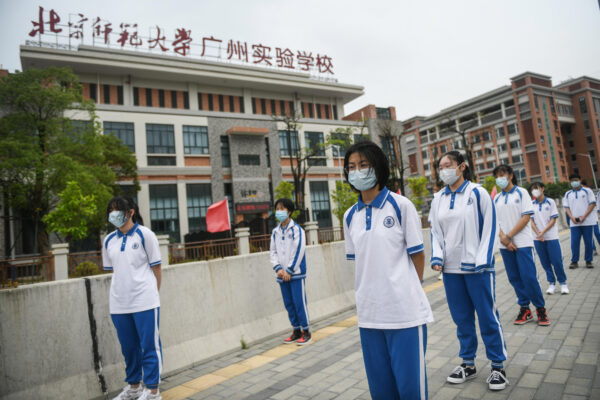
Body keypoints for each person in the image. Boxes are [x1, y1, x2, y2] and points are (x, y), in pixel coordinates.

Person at [343, 140, 433, 400]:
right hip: (369, 315)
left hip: (404, 315)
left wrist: (408, 293)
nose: (357, 171)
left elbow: (417, 254)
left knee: (410, 391)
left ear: (378, 167)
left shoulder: (401, 205)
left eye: (363, 165)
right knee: (381, 391)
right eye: (351, 167)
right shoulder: (350, 216)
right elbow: (362, 262)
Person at [429, 151, 509, 391]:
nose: (443, 170)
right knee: (462, 319)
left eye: (448, 165)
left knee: (487, 316)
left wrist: (484, 258)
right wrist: (437, 256)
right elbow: (435, 232)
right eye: (440, 166)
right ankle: (468, 363)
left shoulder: (478, 192)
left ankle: (497, 366)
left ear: (461, 166)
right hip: (451, 270)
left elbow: (491, 226)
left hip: (478, 268)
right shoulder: (438, 198)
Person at [101, 196, 163, 400]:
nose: (114, 214)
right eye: (111, 210)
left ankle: (153, 391)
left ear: (130, 213)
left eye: (118, 210)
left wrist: (153, 295)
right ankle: (134, 387)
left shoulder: (146, 235)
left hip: (145, 300)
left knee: (149, 346)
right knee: (129, 348)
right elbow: (116, 271)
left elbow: (156, 268)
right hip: (119, 304)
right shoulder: (109, 240)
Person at [492, 165, 550, 327]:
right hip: (505, 245)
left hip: (523, 243)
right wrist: (504, 239)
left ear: (510, 175)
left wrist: (509, 237)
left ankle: (540, 308)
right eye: (497, 176)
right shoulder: (496, 198)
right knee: (514, 278)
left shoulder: (522, 192)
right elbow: (495, 221)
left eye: (502, 175)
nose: (499, 179)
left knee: (529, 277)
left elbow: (526, 218)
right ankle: (525, 309)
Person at [269, 198, 311, 345]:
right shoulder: (275, 232)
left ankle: (306, 331)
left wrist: (290, 270)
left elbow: (299, 250)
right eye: (277, 209)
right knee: (289, 303)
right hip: (281, 275)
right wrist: (278, 268)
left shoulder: (297, 230)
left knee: (299, 302)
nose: (279, 211)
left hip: (296, 273)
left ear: (289, 211)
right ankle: (296, 330)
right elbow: (272, 252)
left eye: (282, 209)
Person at [529, 182, 569, 295]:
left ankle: (563, 283)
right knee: (545, 262)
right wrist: (538, 233)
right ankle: (551, 283)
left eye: (536, 188)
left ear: (542, 188)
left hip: (551, 237)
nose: (534, 191)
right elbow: (531, 220)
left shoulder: (550, 202)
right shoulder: (531, 204)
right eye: (532, 189)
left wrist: (543, 232)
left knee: (556, 261)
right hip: (537, 238)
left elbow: (553, 219)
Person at [563, 173, 597, 269]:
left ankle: (589, 261)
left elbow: (592, 204)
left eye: (576, 180)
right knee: (574, 243)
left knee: (588, 242)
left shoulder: (587, 191)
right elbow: (567, 208)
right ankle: (574, 261)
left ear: (580, 180)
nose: (574, 182)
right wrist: (572, 217)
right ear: (570, 182)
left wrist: (584, 216)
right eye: (572, 180)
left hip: (587, 222)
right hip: (574, 224)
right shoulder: (568, 194)